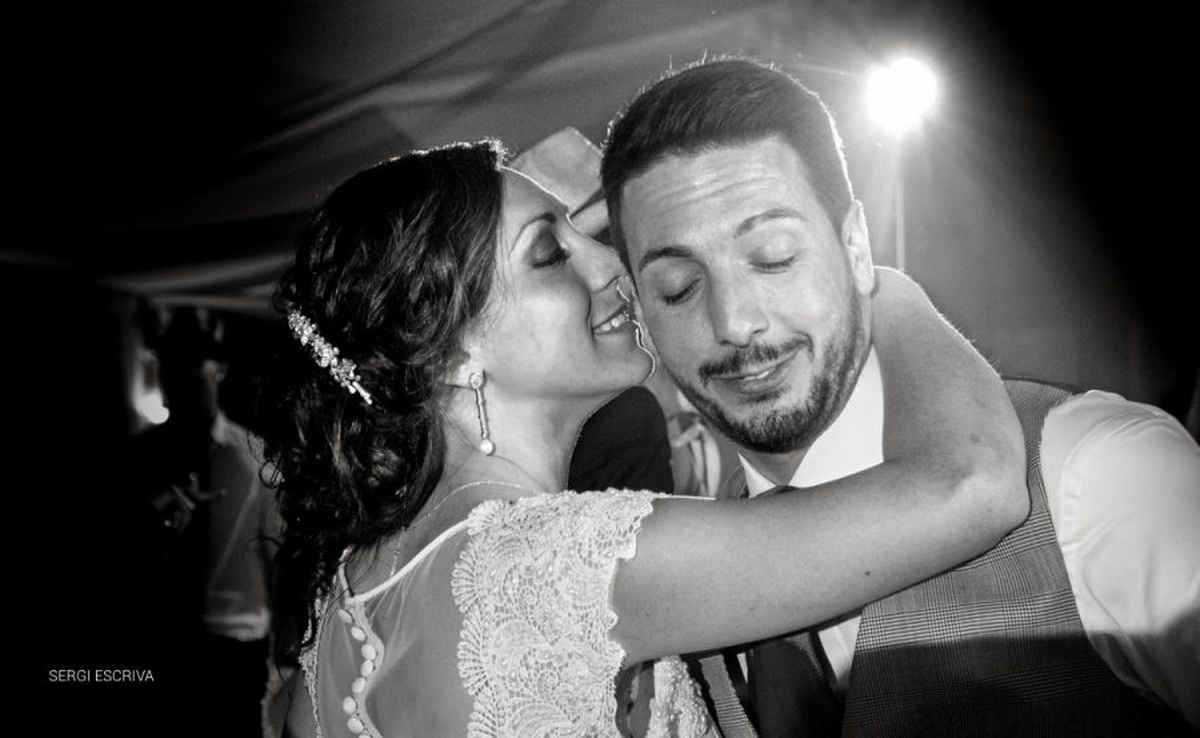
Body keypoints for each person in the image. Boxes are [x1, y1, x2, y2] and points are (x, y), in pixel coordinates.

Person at [257, 140, 1028, 738]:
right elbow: (972, 485)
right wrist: (879, 289)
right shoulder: (564, 564)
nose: (610, 264)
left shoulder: (349, 603)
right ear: (453, 353)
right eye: (550, 255)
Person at [600, 56, 1200, 735]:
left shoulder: (1095, 473)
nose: (735, 322)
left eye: (774, 257)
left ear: (856, 247)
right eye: (679, 288)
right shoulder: (683, 579)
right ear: (641, 310)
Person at [124, 307, 281, 738]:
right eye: (168, 366)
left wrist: (285, 653)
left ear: (219, 370)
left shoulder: (255, 455)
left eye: (190, 365)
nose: (176, 378)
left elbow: (280, 554)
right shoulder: (139, 457)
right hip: (163, 643)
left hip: (236, 648)